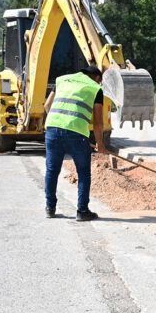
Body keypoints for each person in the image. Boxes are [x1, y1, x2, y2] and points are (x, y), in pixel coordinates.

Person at [43, 64, 109, 221]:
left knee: (52, 170)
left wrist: (59, 123)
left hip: (52, 129)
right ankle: (82, 211)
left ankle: (50, 208)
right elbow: (98, 122)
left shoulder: (62, 80)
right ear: (97, 78)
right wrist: (100, 143)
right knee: (83, 172)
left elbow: (47, 105)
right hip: (77, 133)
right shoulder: (95, 88)